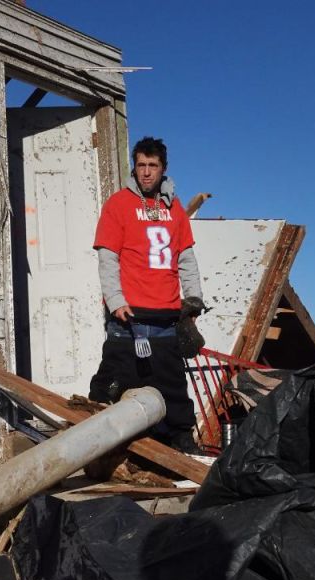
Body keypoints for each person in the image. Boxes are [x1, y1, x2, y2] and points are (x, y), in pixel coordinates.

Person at [88, 136, 205, 452]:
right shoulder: (119, 204)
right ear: (134, 167)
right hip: (127, 317)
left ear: (163, 169)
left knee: (172, 386)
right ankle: (97, 444)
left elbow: (185, 257)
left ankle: (181, 441)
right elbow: (107, 257)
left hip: (166, 317)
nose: (146, 172)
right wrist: (115, 301)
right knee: (114, 382)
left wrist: (193, 300)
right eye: (141, 165)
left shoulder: (175, 209)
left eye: (153, 166)